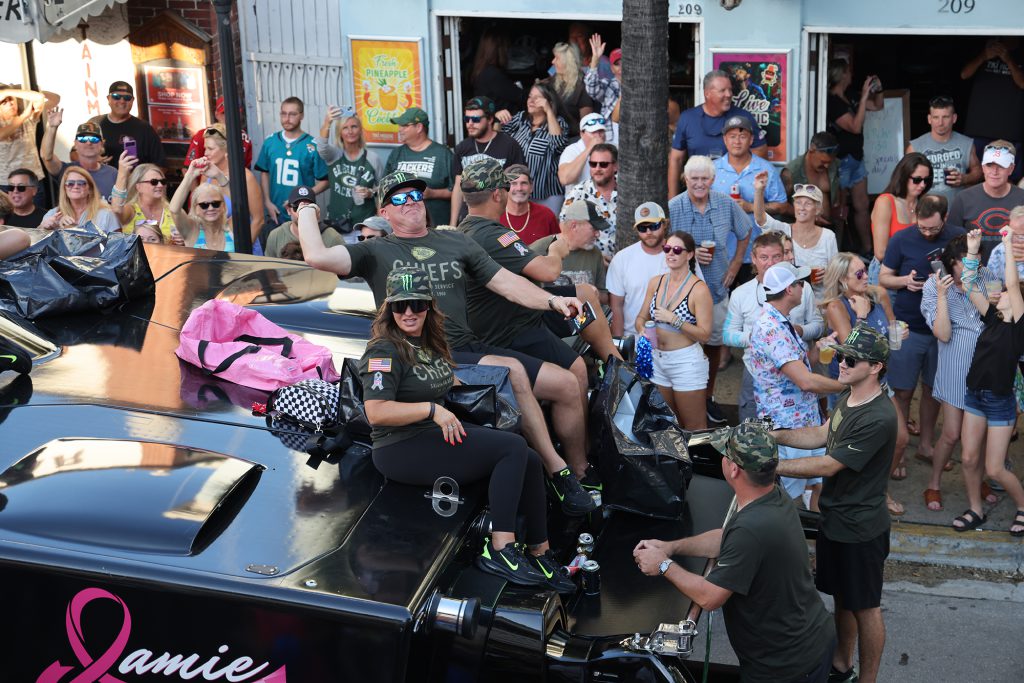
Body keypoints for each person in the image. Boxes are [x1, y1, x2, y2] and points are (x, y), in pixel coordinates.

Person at [295, 169, 596, 514]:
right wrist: (307, 207)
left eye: (416, 195)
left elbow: (507, 283)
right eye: (399, 198)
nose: (411, 202)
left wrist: (553, 301)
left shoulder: (456, 241)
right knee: (512, 370)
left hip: (468, 348)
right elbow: (316, 256)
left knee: (567, 384)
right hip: (420, 359)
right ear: (384, 212)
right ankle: (558, 473)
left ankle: (581, 474)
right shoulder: (374, 250)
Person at [359, 266, 573, 591]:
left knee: (528, 456)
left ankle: (539, 551)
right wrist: (432, 410)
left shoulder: (428, 342)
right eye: (400, 305)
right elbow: (376, 411)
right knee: (511, 448)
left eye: (417, 304)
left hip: (431, 435)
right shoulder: (383, 350)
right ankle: (499, 548)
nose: (409, 312)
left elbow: (448, 383)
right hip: (400, 446)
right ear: (389, 309)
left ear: (429, 306)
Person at [633, 422, 836, 683]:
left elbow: (710, 597)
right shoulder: (771, 496)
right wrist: (672, 547)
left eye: (724, 454)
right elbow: (726, 538)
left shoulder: (752, 527)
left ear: (733, 469)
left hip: (785, 667)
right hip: (808, 642)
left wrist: (663, 565)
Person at [458, 158, 594, 490]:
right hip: (504, 335)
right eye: (506, 187)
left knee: (577, 369)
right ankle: (576, 472)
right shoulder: (494, 234)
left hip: (508, 326)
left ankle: (580, 453)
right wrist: (558, 249)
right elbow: (546, 272)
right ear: (498, 194)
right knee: (568, 383)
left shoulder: (463, 232)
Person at [772, 324, 897, 683]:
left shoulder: (878, 416)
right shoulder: (850, 394)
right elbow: (822, 434)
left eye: (851, 360)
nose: (841, 363)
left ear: (875, 367)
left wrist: (770, 465)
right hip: (836, 519)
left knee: (866, 608)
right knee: (843, 597)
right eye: (842, 356)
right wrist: (776, 436)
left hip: (860, 529)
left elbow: (830, 464)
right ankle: (842, 665)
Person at [879, 194, 964, 478]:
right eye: (922, 227)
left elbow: (970, 276)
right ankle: (898, 449)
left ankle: (926, 445)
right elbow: (884, 277)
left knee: (933, 390)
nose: (927, 233)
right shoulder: (901, 239)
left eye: (933, 228)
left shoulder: (957, 238)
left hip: (945, 328)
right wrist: (905, 281)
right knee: (901, 391)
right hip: (908, 326)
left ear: (946, 218)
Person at [820, 251, 909, 516]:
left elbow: (891, 330)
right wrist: (860, 316)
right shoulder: (836, 306)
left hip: (879, 382)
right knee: (846, 446)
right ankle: (856, 493)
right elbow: (853, 350)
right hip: (850, 388)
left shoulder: (878, 294)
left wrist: (899, 333)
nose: (865, 276)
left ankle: (877, 488)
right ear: (842, 280)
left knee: (900, 439)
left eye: (866, 270)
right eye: (858, 273)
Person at [749, 262, 842, 505]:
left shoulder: (780, 322)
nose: (804, 287)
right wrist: (847, 386)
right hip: (787, 427)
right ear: (789, 290)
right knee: (792, 498)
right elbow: (805, 381)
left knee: (817, 485)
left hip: (802, 422)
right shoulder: (772, 329)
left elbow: (798, 367)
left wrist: (818, 350)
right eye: (801, 283)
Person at [921, 234, 1000, 514]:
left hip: (986, 368)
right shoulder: (933, 285)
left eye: (976, 259)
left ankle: (978, 481)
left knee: (978, 435)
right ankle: (934, 483)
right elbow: (942, 334)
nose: (973, 265)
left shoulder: (987, 276)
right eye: (967, 260)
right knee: (952, 433)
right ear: (951, 262)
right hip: (954, 369)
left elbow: (999, 317)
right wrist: (943, 295)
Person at [669, 155, 750, 423]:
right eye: (694, 178)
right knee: (685, 345)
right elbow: (664, 246)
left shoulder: (725, 203)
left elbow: (745, 231)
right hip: (682, 292)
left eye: (705, 178)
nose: (699, 183)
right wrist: (690, 252)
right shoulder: (674, 206)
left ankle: (708, 396)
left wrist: (736, 263)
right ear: (685, 179)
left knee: (713, 344)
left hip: (717, 285)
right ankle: (685, 399)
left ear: (713, 180)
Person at [954, 227, 1024, 535]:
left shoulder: (1017, 326)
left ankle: (1023, 507)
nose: (1000, 292)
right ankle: (975, 509)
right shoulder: (992, 317)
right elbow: (969, 283)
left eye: (1005, 293)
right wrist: (972, 249)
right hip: (975, 395)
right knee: (969, 459)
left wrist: (1007, 244)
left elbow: (1012, 282)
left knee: (994, 468)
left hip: (999, 401)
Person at [723, 232, 824, 424]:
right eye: (764, 257)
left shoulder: (801, 288)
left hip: (799, 368)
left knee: (800, 427)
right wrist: (757, 337)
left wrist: (799, 331)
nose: (770, 263)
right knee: (754, 432)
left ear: (784, 256)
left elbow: (818, 326)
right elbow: (728, 335)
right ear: (753, 259)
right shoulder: (740, 293)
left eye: (776, 256)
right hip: (756, 372)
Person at [634, 230, 712, 430]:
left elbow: (705, 334)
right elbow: (641, 318)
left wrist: (675, 320)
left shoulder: (699, 289)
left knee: (694, 426)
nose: (670, 253)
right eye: (667, 248)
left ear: (690, 254)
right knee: (667, 423)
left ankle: (699, 453)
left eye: (677, 250)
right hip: (657, 359)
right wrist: (642, 329)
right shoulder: (656, 282)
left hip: (686, 362)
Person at [712, 116, 788, 286]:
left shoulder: (765, 169)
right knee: (721, 300)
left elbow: (782, 206)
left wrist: (751, 207)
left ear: (751, 139)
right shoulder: (713, 169)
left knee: (759, 298)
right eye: (732, 136)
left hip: (758, 252)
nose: (737, 141)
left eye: (742, 136)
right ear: (724, 139)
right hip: (721, 251)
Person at [668, 70, 765, 198]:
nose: (729, 94)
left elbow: (760, 152)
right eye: (722, 90)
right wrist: (672, 200)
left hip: (734, 194)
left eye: (730, 90)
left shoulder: (743, 118)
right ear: (707, 93)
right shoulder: (688, 118)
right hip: (698, 191)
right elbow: (676, 159)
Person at [826, 58, 883, 253]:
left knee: (862, 205)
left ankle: (868, 250)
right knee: (840, 210)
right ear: (841, 75)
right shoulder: (832, 102)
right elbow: (855, 127)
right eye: (848, 71)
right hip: (841, 161)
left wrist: (878, 89)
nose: (851, 75)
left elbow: (878, 106)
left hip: (857, 159)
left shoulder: (850, 96)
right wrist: (865, 95)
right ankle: (837, 252)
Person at [754, 181, 838, 302]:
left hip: (820, 303)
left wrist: (827, 275)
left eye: (808, 203)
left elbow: (836, 274)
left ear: (818, 209)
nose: (802, 208)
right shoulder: (783, 230)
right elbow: (760, 218)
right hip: (790, 303)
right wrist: (759, 190)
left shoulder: (828, 236)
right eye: (798, 202)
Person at [450, 96, 525, 225]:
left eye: (476, 119)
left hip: (500, 217)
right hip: (469, 218)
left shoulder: (509, 145)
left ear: (490, 119)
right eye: (467, 119)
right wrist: (453, 224)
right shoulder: (462, 148)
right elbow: (458, 187)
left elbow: (518, 182)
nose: (470, 124)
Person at [496, 83, 569, 216]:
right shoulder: (521, 119)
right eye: (530, 96)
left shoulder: (558, 122)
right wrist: (497, 117)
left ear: (549, 101)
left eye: (537, 98)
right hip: (519, 191)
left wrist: (549, 111)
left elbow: (558, 144)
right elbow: (496, 138)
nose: (531, 100)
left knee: (548, 228)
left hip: (547, 193)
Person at [255, 96, 329, 225]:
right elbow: (264, 172)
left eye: (292, 114)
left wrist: (302, 196)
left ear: (301, 115)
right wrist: (267, 201)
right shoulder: (270, 142)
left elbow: (326, 181)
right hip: (276, 213)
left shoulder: (311, 145)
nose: (287, 118)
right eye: (283, 114)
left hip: (302, 213)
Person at [947, 141, 1024, 260]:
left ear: (1011, 169)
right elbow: (951, 243)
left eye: (1001, 166)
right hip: (974, 269)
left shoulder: (1022, 197)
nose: (994, 171)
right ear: (982, 167)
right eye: (989, 165)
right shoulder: (963, 198)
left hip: (1015, 268)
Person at [961, 38, 1024, 182]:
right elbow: (964, 74)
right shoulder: (983, 49)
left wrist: (1008, 60)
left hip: (1010, 131)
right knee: (976, 175)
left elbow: (1022, 83)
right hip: (979, 127)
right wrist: (984, 56)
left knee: (1008, 177)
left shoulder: (1020, 53)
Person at [383, 107, 454, 229]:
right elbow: (384, 191)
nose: (400, 129)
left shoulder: (443, 154)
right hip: (401, 229)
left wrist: (433, 193)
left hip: (436, 228)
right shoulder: (396, 154)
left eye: (405, 125)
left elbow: (459, 192)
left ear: (419, 127)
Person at [869, 153, 934, 284]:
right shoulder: (885, 201)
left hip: (917, 272)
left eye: (926, 180)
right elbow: (880, 253)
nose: (922, 185)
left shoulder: (926, 203)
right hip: (887, 273)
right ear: (903, 177)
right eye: (917, 180)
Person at [608, 203, 670, 338]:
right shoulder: (622, 258)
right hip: (633, 337)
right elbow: (616, 306)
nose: (648, 232)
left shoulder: (678, 253)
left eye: (654, 226)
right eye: (642, 228)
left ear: (664, 224)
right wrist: (619, 343)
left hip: (672, 338)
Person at [198, 124, 265, 244]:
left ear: (226, 150)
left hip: (240, 245)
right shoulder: (206, 175)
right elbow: (198, 211)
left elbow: (258, 220)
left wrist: (243, 249)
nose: (206, 153)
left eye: (210, 149)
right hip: (212, 244)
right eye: (205, 148)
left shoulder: (245, 177)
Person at [906, 95, 981, 201]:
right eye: (936, 117)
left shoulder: (966, 143)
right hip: (925, 209)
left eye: (945, 117)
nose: (940, 123)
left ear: (954, 118)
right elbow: (904, 180)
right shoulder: (915, 147)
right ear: (929, 119)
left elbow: (978, 171)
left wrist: (964, 179)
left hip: (958, 208)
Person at [317, 105, 378, 231]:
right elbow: (322, 147)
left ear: (360, 130)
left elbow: (383, 188)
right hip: (338, 224)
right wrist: (327, 122)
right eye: (345, 128)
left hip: (365, 226)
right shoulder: (335, 155)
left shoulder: (373, 158)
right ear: (339, 132)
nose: (350, 131)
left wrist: (370, 192)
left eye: (354, 126)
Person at [559, 142, 618, 260]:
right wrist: (596, 257)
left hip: (624, 261)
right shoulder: (578, 193)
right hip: (590, 261)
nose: (597, 169)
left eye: (603, 164)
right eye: (593, 164)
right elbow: (565, 227)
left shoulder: (628, 192)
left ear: (616, 166)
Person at [89, 81, 166, 169]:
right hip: (102, 177)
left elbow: (160, 164)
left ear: (132, 100)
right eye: (116, 96)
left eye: (127, 98)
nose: (122, 101)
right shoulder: (95, 124)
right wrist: (91, 159)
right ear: (108, 99)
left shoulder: (144, 128)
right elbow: (77, 153)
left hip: (135, 177)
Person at [41, 113, 118, 200]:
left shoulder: (113, 173)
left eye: (94, 139)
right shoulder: (66, 170)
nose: (88, 142)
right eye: (82, 139)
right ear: (75, 144)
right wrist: (52, 128)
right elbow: (46, 156)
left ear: (102, 144)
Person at [169, 158, 234, 251]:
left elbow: (240, 207)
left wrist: (219, 176)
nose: (210, 208)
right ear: (196, 208)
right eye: (204, 205)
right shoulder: (192, 230)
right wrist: (189, 176)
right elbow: (174, 210)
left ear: (223, 206)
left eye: (216, 203)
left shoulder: (231, 227)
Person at [264, 185, 345, 259]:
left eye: (308, 208)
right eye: (297, 207)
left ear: (316, 210)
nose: (302, 212)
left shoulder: (332, 238)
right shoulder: (276, 236)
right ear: (288, 210)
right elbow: (269, 267)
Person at [781, 131, 842, 226]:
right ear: (812, 150)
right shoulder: (791, 172)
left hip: (829, 227)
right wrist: (810, 216)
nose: (827, 166)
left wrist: (840, 207)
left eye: (830, 162)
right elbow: (781, 206)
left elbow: (841, 189)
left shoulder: (835, 165)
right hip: (802, 228)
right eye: (823, 162)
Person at [109, 162, 176, 242]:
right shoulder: (131, 210)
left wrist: (182, 239)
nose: (160, 185)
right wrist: (122, 174)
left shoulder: (173, 211)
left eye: (163, 181)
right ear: (138, 186)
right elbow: (117, 209)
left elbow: (188, 235)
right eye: (154, 182)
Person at [0, 86, 53, 185]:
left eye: (11, 99)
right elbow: (1, 135)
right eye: (4, 102)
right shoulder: (24, 117)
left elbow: (39, 98)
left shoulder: (28, 120)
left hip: (32, 179)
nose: (10, 103)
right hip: (7, 184)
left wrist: (7, 91)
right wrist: (23, 116)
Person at [39, 168, 120, 233]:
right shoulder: (53, 214)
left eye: (81, 183)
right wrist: (43, 227)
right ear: (64, 188)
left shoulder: (106, 214)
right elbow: (36, 241)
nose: (76, 186)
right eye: (70, 183)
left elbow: (118, 244)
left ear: (90, 189)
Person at [184, 96, 252, 168]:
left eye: (234, 112)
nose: (229, 116)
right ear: (217, 115)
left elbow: (246, 169)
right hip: (207, 174)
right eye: (224, 113)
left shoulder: (245, 139)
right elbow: (189, 168)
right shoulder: (202, 135)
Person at [499, 164, 560, 245]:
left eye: (524, 183)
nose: (519, 188)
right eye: (514, 183)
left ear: (531, 187)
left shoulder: (546, 215)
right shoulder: (495, 215)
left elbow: (558, 246)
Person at [469, 28, 524, 115]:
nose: (508, 51)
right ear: (500, 49)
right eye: (507, 47)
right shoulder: (492, 74)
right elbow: (519, 96)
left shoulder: (482, 70)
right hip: (503, 121)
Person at [547, 41, 595, 137]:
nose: (553, 61)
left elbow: (586, 125)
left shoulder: (583, 87)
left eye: (557, 58)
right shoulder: (555, 79)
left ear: (568, 62)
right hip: (548, 132)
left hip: (569, 137)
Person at [558, 112, 609, 198]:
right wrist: (588, 149)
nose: (598, 136)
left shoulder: (613, 148)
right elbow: (565, 179)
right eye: (593, 132)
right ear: (582, 134)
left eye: (601, 131)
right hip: (578, 201)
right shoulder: (572, 150)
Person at [584, 36, 621, 120]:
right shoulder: (608, 84)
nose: (621, 67)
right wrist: (595, 59)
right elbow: (592, 90)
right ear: (612, 69)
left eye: (624, 63)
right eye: (617, 64)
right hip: (611, 128)